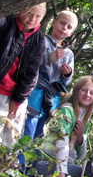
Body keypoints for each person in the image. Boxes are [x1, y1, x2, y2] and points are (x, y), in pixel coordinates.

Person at [0, 3, 47, 151]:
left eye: (38, 16)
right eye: (29, 13)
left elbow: (32, 73)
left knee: (12, 138)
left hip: (18, 95)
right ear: (20, 9)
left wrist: (18, 99)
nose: (32, 19)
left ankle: (7, 165)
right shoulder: (7, 23)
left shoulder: (39, 39)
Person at [32, 76, 93, 177]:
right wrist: (61, 172)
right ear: (76, 91)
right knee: (90, 175)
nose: (87, 95)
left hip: (66, 165)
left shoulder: (85, 118)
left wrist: (80, 139)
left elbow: (80, 157)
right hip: (46, 163)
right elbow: (61, 143)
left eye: (92, 93)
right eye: (84, 90)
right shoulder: (66, 111)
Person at [24, 10, 77, 139]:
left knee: (41, 134)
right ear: (54, 22)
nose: (64, 28)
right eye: (62, 23)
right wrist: (49, 57)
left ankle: (33, 153)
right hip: (35, 93)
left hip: (52, 99)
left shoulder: (69, 54)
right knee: (27, 130)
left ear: (71, 33)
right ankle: (21, 153)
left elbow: (67, 81)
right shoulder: (41, 40)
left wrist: (67, 74)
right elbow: (28, 61)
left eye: (69, 27)